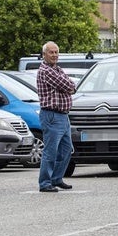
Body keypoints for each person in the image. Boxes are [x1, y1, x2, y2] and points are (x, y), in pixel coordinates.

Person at [36, 41, 76, 192]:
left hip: (63, 116)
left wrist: (70, 86)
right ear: (44, 54)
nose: (54, 55)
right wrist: (70, 86)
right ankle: (45, 183)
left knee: (66, 150)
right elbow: (69, 86)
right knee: (50, 151)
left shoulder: (57, 69)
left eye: (56, 52)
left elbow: (71, 84)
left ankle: (56, 178)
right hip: (52, 116)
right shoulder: (46, 71)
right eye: (51, 52)